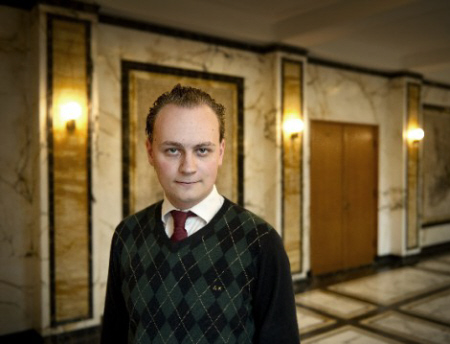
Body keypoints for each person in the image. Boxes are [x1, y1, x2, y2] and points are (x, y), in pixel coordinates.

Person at [101, 84, 299, 343]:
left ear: (220, 152)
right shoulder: (127, 234)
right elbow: (114, 334)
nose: (188, 168)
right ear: (150, 151)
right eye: (173, 150)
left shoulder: (259, 241)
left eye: (202, 150)